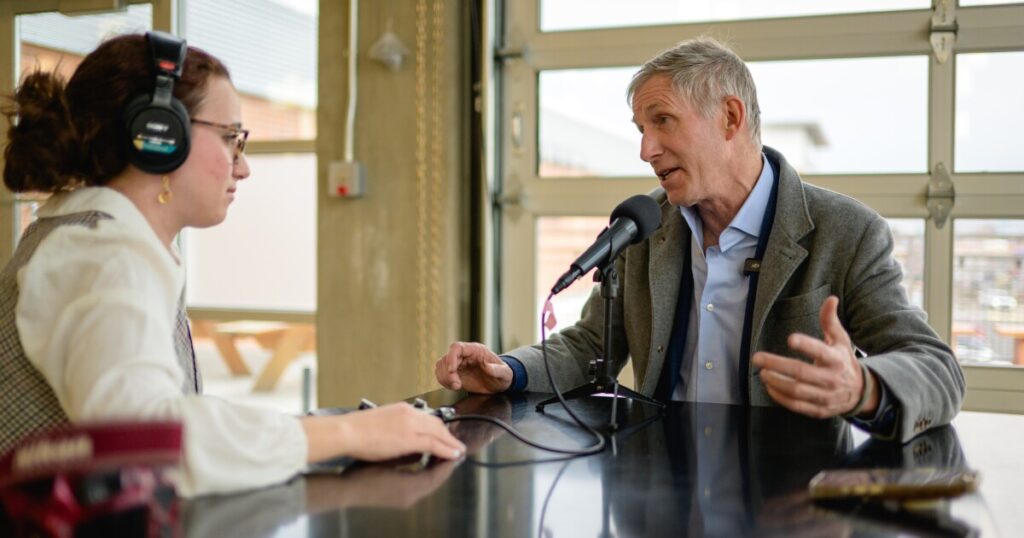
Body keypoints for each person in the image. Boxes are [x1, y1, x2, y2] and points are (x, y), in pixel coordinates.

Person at [0, 32, 463, 497]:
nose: (243, 167)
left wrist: (311, 431)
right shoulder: (101, 255)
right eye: (230, 139)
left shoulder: (90, 237)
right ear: (158, 136)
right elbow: (145, 441)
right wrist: (349, 434)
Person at [436, 37, 964, 443]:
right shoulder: (645, 225)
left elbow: (937, 370)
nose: (646, 149)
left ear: (730, 117)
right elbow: (592, 343)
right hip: (655, 489)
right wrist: (512, 370)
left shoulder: (847, 231)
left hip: (788, 498)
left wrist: (864, 388)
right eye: (640, 127)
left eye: (662, 121)